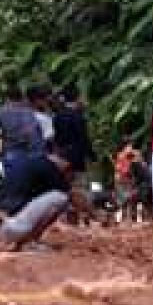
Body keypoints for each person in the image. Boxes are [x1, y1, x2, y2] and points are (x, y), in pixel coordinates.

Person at [0, 153, 72, 252]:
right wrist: (93, 214)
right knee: (61, 197)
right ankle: (29, 243)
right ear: (67, 165)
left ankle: (21, 240)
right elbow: (74, 195)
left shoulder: (32, 163)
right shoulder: (50, 169)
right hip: (8, 228)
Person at [53, 85, 98, 225]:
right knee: (79, 186)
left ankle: (70, 219)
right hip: (77, 157)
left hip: (62, 156)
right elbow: (83, 139)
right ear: (77, 98)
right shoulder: (78, 117)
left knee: (66, 186)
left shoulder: (58, 116)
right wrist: (92, 156)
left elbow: (57, 139)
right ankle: (87, 216)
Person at [0, 83, 45, 169]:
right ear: (21, 96)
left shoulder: (1, 113)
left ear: (7, 98)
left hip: (15, 157)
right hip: (37, 153)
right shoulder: (30, 108)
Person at [114, 138, 145, 223]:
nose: (130, 147)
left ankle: (137, 218)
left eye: (131, 145)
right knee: (122, 201)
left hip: (133, 181)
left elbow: (142, 166)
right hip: (123, 181)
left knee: (136, 199)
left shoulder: (136, 154)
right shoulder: (120, 156)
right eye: (128, 145)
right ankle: (120, 219)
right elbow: (119, 170)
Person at [28, 84, 56, 153]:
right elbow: (51, 139)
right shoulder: (41, 118)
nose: (47, 101)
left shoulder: (27, 115)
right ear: (37, 100)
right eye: (44, 98)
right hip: (47, 152)